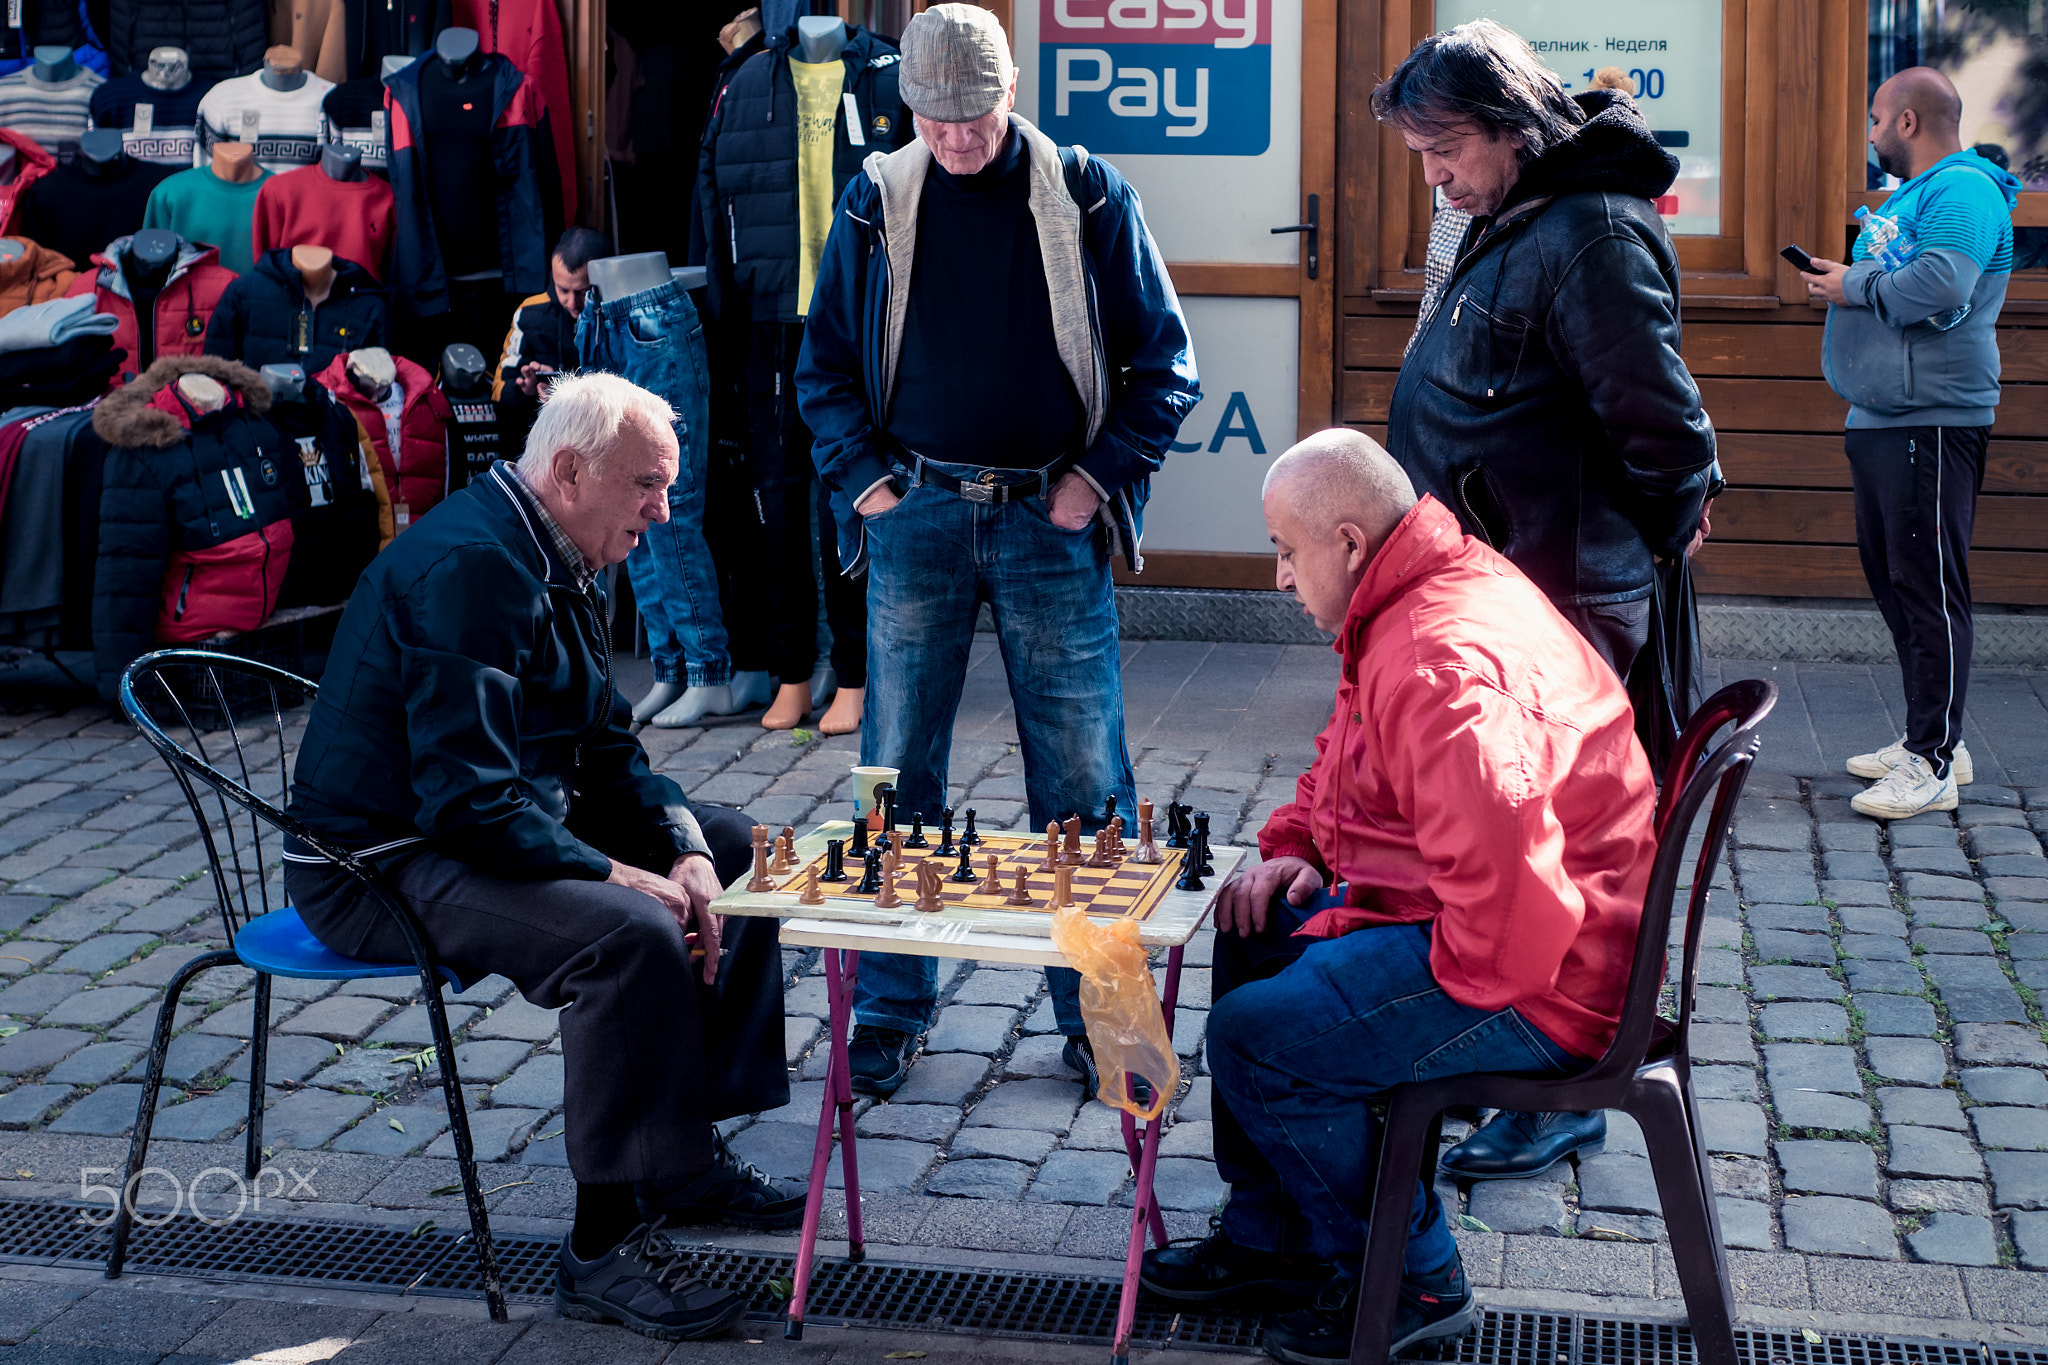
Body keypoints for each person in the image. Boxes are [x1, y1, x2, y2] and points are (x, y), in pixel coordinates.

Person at [283, 372, 802, 1344]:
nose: (663, 507)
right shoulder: (476, 565)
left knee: (734, 849)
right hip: (378, 863)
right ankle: (602, 1248)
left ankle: (678, 1156)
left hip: (474, 819)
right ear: (569, 471)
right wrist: (622, 876)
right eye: (646, 484)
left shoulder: (558, 545)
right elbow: (470, 807)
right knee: (627, 935)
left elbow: (604, 748)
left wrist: (681, 848)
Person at [1141, 430, 1656, 1365]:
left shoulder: (1433, 658)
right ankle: (1278, 1240)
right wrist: (1302, 851)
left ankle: (1412, 1277)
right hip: (1518, 920)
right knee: (1255, 927)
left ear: (1345, 540)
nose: (1282, 581)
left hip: (1544, 972)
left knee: (1259, 1041)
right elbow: (1355, 757)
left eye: (1287, 554)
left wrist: (1364, 962)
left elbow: (1511, 911)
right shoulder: (1409, 593)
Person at [795, 2, 1198, 1098]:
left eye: (974, 116)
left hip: (1044, 519)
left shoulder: (1085, 192)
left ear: (1010, 93)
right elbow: (821, 370)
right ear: (909, 108)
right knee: (894, 774)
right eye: (935, 118)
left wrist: (1090, 482)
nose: (957, 138)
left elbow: (1166, 367)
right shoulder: (877, 199)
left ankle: (1104, 1020)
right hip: (914, 512)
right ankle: (887, 1008)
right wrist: (867, 487)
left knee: (1081, 782)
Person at [1374, 17, 1718, 1183]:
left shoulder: (1591, 233)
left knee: (1555, 853)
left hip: (1560, 603)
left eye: (1443, 150)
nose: (1433, 175)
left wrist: (1640, 558)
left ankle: (1562, 1085)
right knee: (1514, 847)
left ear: (1511, 128)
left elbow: (1665, 438)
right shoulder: (1509, 213)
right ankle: (1514, 1054)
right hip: (1510, 599)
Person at [1800, 68, 2019, 819]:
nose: (1868, 132)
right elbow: (1906, 276)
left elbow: (1944, 283)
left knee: (1927, 586)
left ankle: (1931, 760)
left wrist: (1853, 286)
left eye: (1873, 119)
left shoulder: (1963, 192)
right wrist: (1853, 275)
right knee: (1898, 581)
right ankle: (1935, 736)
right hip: (1887, 414)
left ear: (1908, 123)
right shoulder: (1922, 195)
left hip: (1932, 418)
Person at [494, 226, 609, 450]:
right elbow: (499, 391)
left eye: (583, 292)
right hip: (551, 446)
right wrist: (525, 391)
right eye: (563, 290)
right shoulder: (529, 313)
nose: (572, 303)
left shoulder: (622, 315)